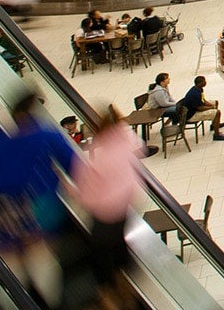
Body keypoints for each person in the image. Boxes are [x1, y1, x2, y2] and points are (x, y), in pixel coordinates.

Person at [0, 92, 75, 307]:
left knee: (9, 261)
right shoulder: (46, 135)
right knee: (40, 255)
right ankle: (50, 302)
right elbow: (72, 165)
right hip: (38, 207)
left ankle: (12, 302)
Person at [71, 104, 142, 307]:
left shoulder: (100, 151)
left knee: (100, 256)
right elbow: (139, 148)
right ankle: (127, 292)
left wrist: (73, 190)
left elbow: (87, 188)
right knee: (119, 248)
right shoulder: (125, 139)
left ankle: (109, 297)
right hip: (124, 207)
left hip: (104, 213)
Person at [178, 75, 224, 140]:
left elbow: (203, 100)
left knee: (215, 102)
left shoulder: (198, 89)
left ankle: (214, 125)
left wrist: (211, 105)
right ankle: (216, 135)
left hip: (196, 108)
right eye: (204, 81)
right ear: (199, 83)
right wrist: (211, 108)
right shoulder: (195, 94)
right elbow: (200, 108)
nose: (205, 82)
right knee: (217, 112)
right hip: (192, 115)